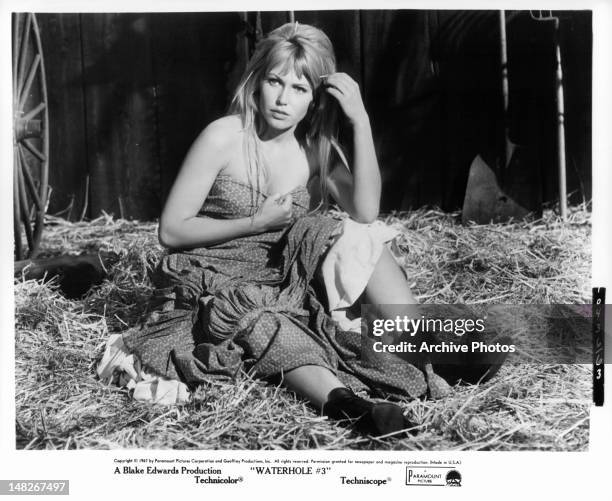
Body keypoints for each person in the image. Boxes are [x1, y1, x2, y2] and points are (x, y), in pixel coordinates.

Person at [115, 22, 506, 437]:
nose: (282, 99)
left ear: (315, 98)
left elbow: (367, 211)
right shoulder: (224, 137)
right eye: (274, 81)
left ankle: (427, 346)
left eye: (299, 89)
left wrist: (361, 121)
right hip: (213, 270)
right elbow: (171, 231)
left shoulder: (312, 148)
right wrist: (257, 222)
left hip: (283, 273)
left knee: (344, 233)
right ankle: (351, 408)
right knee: (257, 317)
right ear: (256, 81)